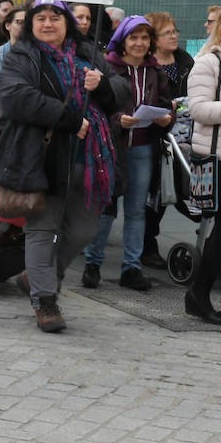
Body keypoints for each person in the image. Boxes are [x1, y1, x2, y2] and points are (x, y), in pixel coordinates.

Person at [0, 0, 128, 332]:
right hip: (43, 156)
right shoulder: (22, 55)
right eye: (41, 18)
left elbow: (122, 89)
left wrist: (104, 85)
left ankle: (40, 277)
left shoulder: (88, 52)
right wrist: (69, 118)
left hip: (90, 160)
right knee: (43, 228)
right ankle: (45, 300)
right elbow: (16, 97)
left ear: (68, 22)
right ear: (31, 24)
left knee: (84, 229)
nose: (48, 23)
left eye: (56, 17)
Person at [80, 16, 172, 292]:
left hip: (143, 147)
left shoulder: (156, 72)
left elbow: (167, 105)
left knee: (136, 210)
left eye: (145, 38)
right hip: (111, 147)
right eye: (134, 37)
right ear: (122, 41)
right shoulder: (107, 68)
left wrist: (167, 118)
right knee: (107, 207)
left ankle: (131, 268)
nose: (140, 43)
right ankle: (93, 264)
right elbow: (94, 107)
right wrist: (117, 119)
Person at [180, 2, 221, 324]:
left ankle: (198, 294)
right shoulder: (208, 62)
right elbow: (198, 110)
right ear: (219, 27)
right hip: (219, 159)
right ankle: (198, 293)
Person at [142, 10, 193, 267]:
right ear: (154, 38)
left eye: (175, 31)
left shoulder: (185, 61)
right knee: (156, 192)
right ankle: (147, 245)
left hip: (185, 134)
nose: (173, 36)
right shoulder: (147, 66)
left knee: (186, 189)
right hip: (155, 136)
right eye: (167, 33)